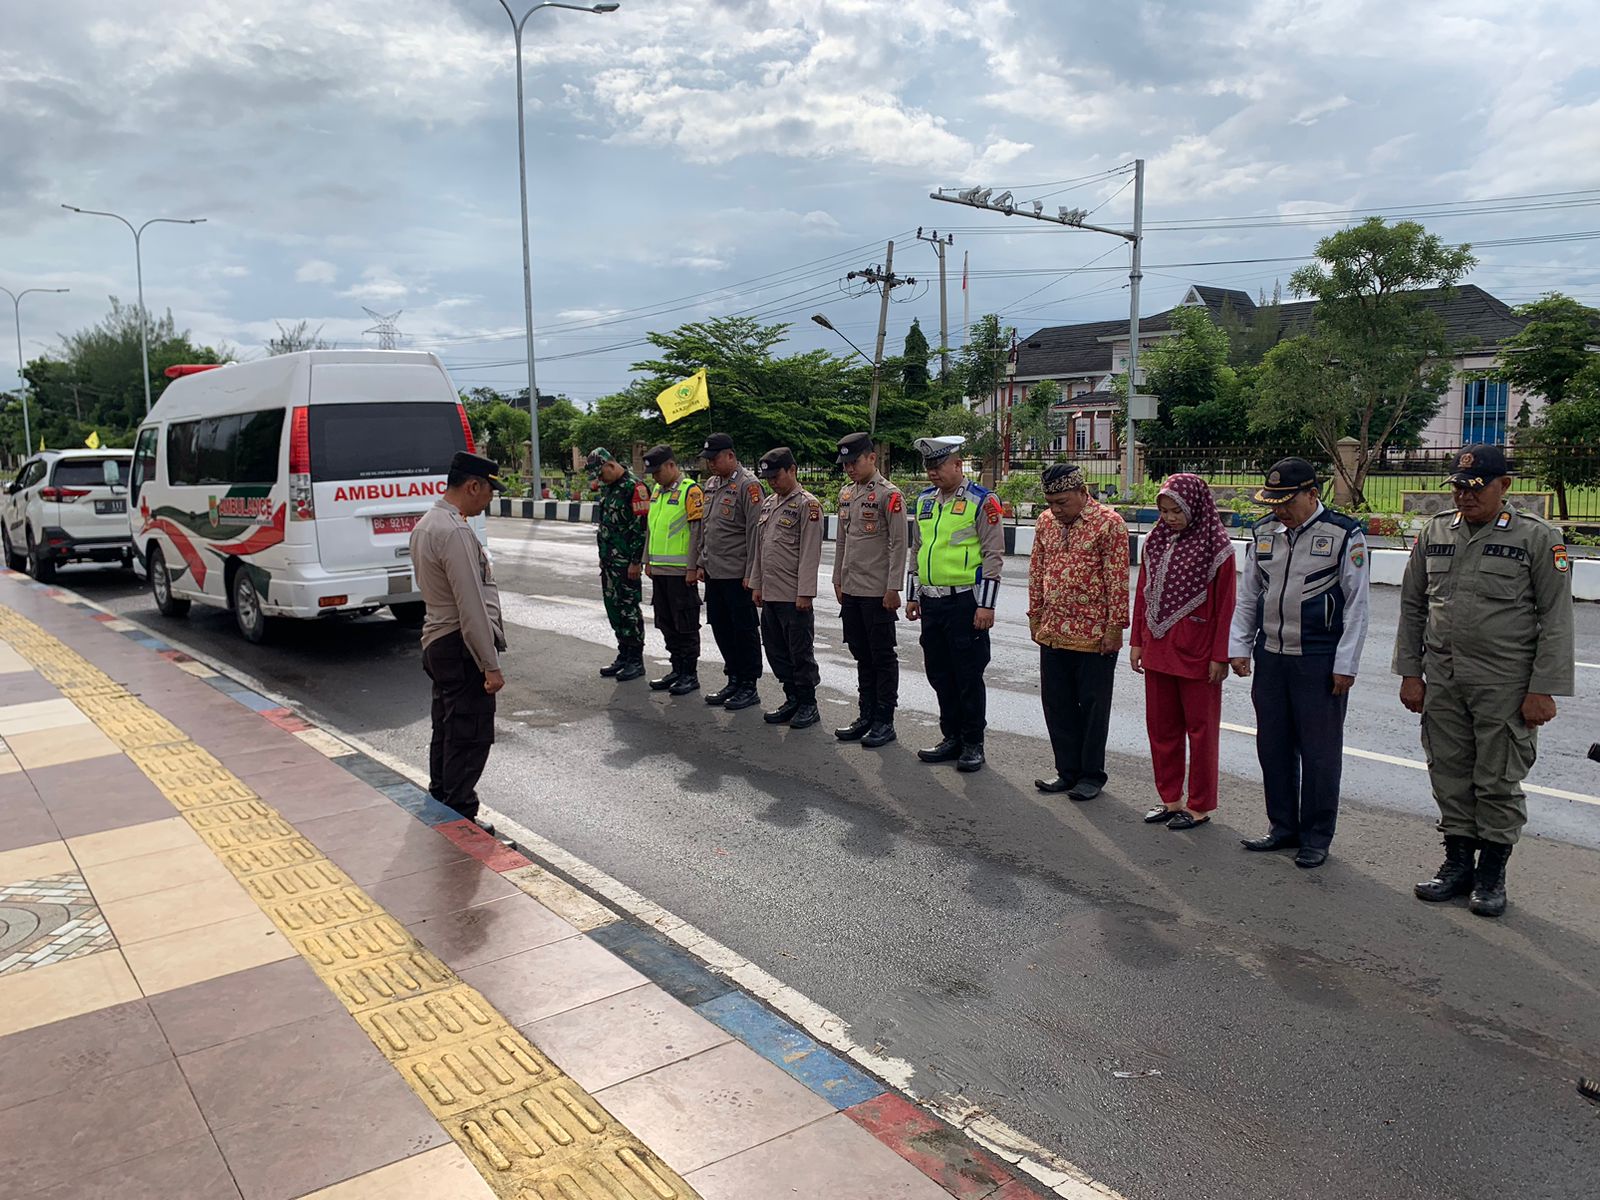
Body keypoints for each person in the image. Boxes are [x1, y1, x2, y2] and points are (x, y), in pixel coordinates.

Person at [1394, 444, 1574, 918]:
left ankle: (1491, 874)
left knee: (1497, 780)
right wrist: (1411, 672)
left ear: (1504, 485)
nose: (1465, 496)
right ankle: (1457, 865)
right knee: (1448, 773)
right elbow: (1413, 606)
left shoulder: (1536, 537)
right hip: (1444, 678)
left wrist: (1543, 688)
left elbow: (1556, 618)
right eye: (1458, 487)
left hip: (1505, 682)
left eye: (1476, 487)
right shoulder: (1436, 531)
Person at [1228, 458, 1369, 869]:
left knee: (1320, 753)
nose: (1280, 510)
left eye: (1287, 502)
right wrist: (1239, 646)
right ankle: (1283, 827)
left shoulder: (1344, 534)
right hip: (1271, 656)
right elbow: (1249, 595)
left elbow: (1357, 605)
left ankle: (1316, 836)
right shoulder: (1264, 533)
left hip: (1319, 660)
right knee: (1273, 747)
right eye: (1274, 502)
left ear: (1312, 494)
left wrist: (1346, 663)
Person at [1130, 473, 1237, 829]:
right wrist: (1137, 641)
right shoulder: (1155, 541)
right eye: (1164, 511)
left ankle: (1199, 805)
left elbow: (1226, 606)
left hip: (1198, 652)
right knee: (1161, 728)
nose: (1171, 518)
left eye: (1177, 510)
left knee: (1201, 732)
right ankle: (1170, 799)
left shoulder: (1217, 548)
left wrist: (1220, 655)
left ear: (1195, 506)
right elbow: (1143, 592)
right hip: (1158, 647)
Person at [409, 451, 507, 826]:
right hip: (459, 644)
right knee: (470, 734)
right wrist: (490, 664)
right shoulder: (454, 531)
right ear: (473, 486)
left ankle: (442, 800)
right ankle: (460, 815)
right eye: (489, 492)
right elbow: (471, 605)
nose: (489, 500)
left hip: (437, 638)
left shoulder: (427, 524)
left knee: (448, 727)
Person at [1028, 462, 1130, 800]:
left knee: (1093, 708)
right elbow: (1036, 570)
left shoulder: (1109, 523)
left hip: (1094, 634)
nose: (1056, 510)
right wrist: (1035, 616)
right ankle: (1066, 771)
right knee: (1057, 705)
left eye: (1062, 503)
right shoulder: (1046, 522)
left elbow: (1117, 579)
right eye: (1050, 503)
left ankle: (1091, 775)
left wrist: (1115, 627)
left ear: (1083, 492)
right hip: (1053, 629)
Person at [905, 436, 1004, 772]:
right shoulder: (924, 501)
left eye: (938, 466)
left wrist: (986, 605)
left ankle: (973, 742)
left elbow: (993, 555)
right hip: (931, 602)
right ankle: (951, 738)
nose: (933, 473)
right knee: (939, 673)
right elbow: (918, 549)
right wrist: (912, 594)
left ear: (958, 465)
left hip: (965, 602)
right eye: (929, 467)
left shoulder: (982, 500)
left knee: (968, 675)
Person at [832, 431, 908, 749]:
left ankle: (884, 720)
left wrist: (893, 587)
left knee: (882, 656)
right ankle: (866, 715)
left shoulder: (889, 495)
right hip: (852, 588)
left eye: (854, 462)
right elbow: (842, 540)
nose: (849, 468)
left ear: (872, 458)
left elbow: (899, 543)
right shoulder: (846, 494)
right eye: (845, 464)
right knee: (860, 654)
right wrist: (837, 579)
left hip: (877, 591)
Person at [747, 447, 824, 729]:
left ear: (792, 470)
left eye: (776, 476)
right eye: (768, 478)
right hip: (770, 593)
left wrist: (805, 592)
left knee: (800, 652)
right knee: (776, 651)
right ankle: (791, 698)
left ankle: (808, 703)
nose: (772, 483)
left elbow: (810, 553)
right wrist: (756, 584)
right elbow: (760, 549)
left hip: (793, 595)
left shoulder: (807, 505)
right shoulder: (769, 504)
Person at [696, 432, 765, 711]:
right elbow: (707, 527)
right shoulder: (711, 484)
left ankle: (749, 684)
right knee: (721, 627)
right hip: (715, 572)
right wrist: (701, 561)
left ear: (730, 456)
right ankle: (733, 678)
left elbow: (755, 532)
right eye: (708, 459)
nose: (711, 464)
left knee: (743, 630)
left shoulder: (748, 485)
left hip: (738, 574)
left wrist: (752, 573)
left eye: (715, 458)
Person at [642, 443, 704, 696]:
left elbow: (697, 532)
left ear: (671, 465)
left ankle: (689, 673)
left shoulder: (690, 490)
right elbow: (651, 527)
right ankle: (676, 669)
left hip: (681, 574)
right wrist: (647, 560)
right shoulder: (658, 491)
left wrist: (693, 567)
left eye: (658, 472)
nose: (655, 477)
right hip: (659, 571)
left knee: (685, 625)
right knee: (666, 623)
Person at [587, 447, 650, 682]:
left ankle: (636, 660)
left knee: (629, 610)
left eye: (601, 473)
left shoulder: (635, 488)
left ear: (611, 465)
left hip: (626, 563)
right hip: (609, 562)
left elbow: (641, 528)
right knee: (613, 608)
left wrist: (635, 562)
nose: (600, 479)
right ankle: (623, 654)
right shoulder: (609, 487)